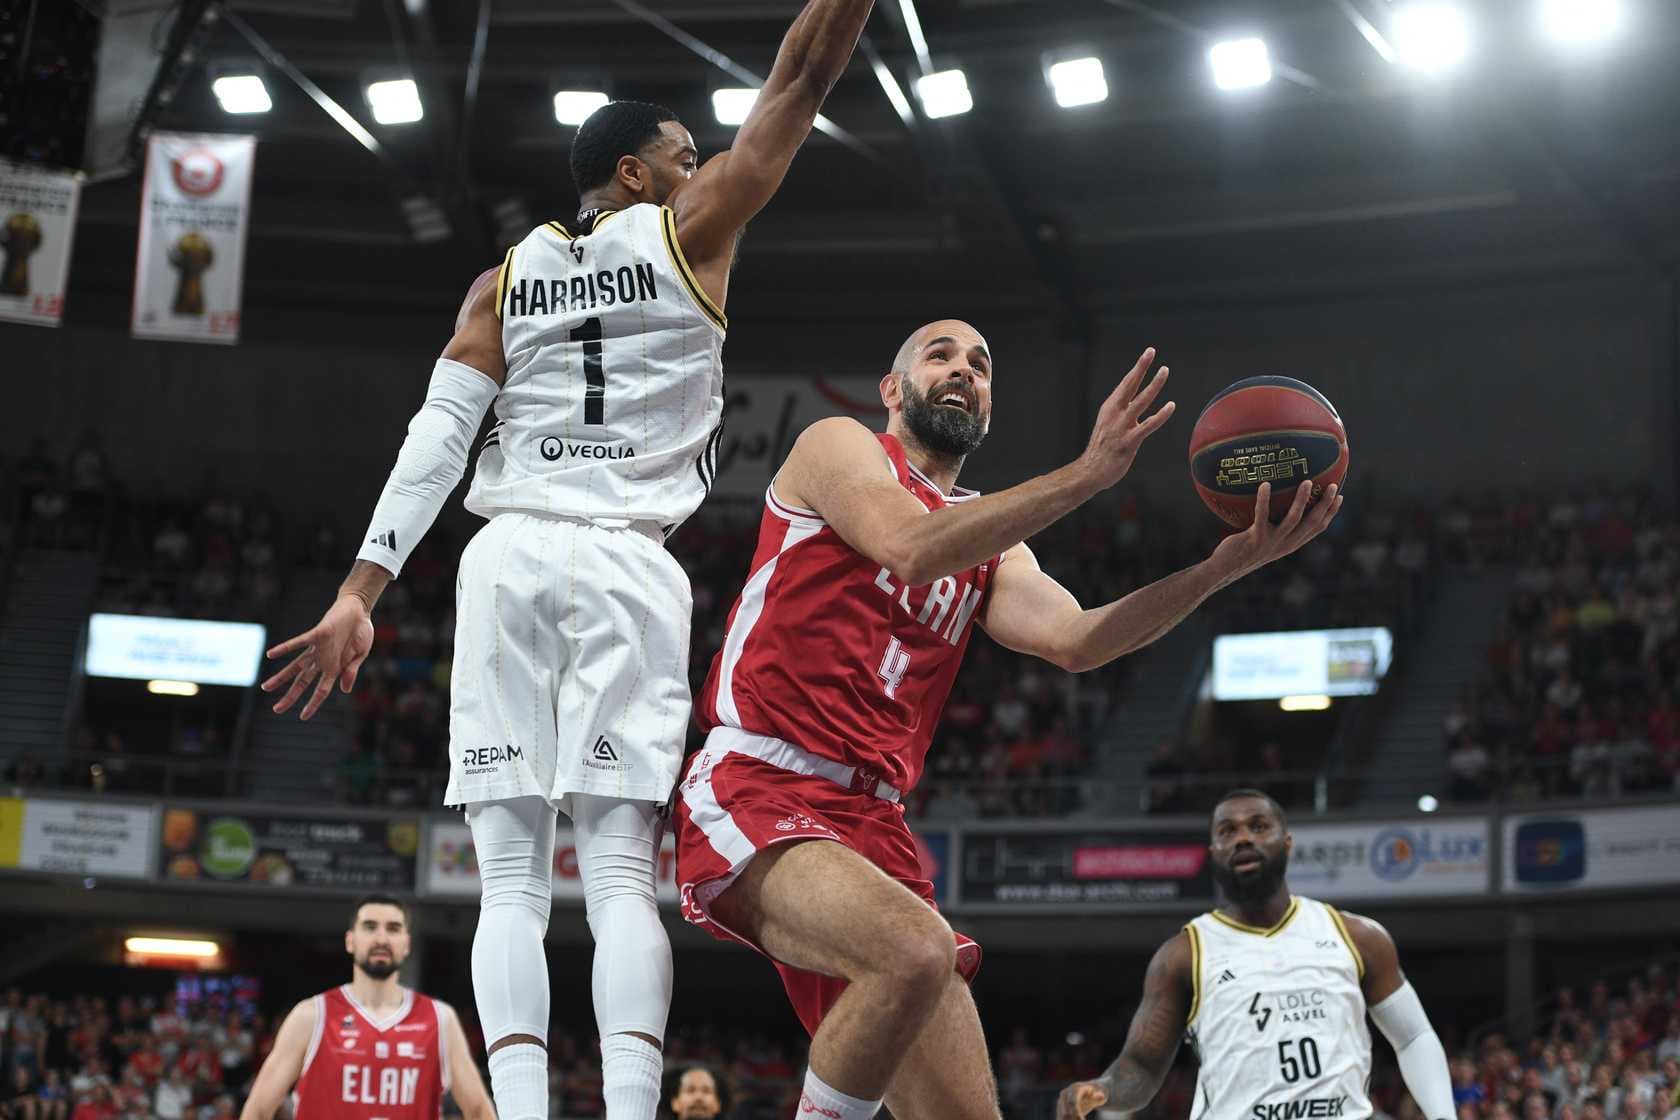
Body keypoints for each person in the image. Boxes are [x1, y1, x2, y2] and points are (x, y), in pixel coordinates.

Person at [259, 2, 879, 1118]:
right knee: (618, 874)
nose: (705, 174)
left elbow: (437, 440)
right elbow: (801, 75)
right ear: (638, 177)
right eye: (690, 161)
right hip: (625, 562)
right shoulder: (691, 235)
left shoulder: (500, 283)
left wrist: (362, 589)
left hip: (503, 557)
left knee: (506, 878)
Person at [675, 321, 1343, 1120]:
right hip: (761, 779)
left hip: (873, 823)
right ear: (893, 390)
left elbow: (1080, 640)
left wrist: (1220, 568)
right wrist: (1089, 475)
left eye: (982, 365)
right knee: (915, 951)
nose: (964, 369)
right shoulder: (838, 447)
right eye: (942, 355)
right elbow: (911, 547)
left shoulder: (994, 545)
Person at [1055, 789, 1455, 1120]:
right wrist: (1103, 1089)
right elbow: (1141, 1066)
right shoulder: (1183, 954)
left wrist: (1443, 1117)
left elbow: (1414, 1036)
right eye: (1227, 831)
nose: (1243, 838)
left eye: (1258, 826)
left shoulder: (1357, 936)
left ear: (1287, 842)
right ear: (1213, 852)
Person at [237, 896, 491, 1120]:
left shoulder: (440, 1019)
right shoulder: (311, 1015)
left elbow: (479, 1110)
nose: (381, 938)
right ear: (350, 941)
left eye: (393, 929)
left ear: (407, 944)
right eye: (370, 927)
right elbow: (258, 1110)